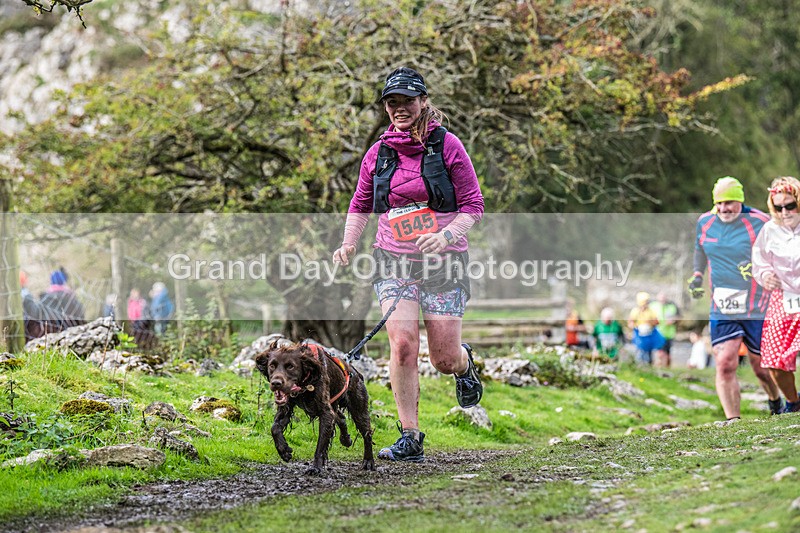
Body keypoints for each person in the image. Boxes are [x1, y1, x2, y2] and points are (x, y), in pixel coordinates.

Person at [332, 66, 484, 463]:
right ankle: (410, 436)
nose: (399, 108)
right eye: (392, 102)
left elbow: (473, 206)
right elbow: (361, 204)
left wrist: (446, 235)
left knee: (443, 358)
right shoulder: (378, 152)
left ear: (423, 102)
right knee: (401, 345)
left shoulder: (448, 146)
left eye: (407, 100)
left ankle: (465, 363)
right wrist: (348, 243)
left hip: (444, 261)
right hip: (392, 259)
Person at [688, 176, 782, 421]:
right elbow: (700, 249)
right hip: (723, 305)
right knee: (725, 363)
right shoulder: (705, 222)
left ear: (740, 201)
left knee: (761, 368)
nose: (723, 209)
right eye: (719, 203)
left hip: (758, 305)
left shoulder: (760, 221)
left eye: (729, 203)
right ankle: (734, 421)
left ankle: (775, 400)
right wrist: (698, 274)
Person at [752, 176, 800, 412]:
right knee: (775, 362)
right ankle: (793, 403)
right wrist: (765, 276)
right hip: (783, 301)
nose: (784, 212)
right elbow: (759, 262)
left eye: (789, 205)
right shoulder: (770, 230)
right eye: (778, 207)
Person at [628, 292, 664, 365]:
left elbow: (657, 322)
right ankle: (639, 366)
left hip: (649, 335)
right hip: (639, 335)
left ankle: (648, 366)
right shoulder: (635, 311)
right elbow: (630, 322)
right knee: (640, 351)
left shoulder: (651, 311)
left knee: (649, 352)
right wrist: (635, 326)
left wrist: (650, 323)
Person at [650, 291, 680, 367]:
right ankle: (658, 366)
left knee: (667, 353)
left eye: (664, 299)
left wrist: (674, 320)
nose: (662, 301)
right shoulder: (652, 305)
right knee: (659, 352)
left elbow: (679, 316)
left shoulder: (672, 306)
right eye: (661, 299)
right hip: (657, 333)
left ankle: (667, 367)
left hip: (669, 334)